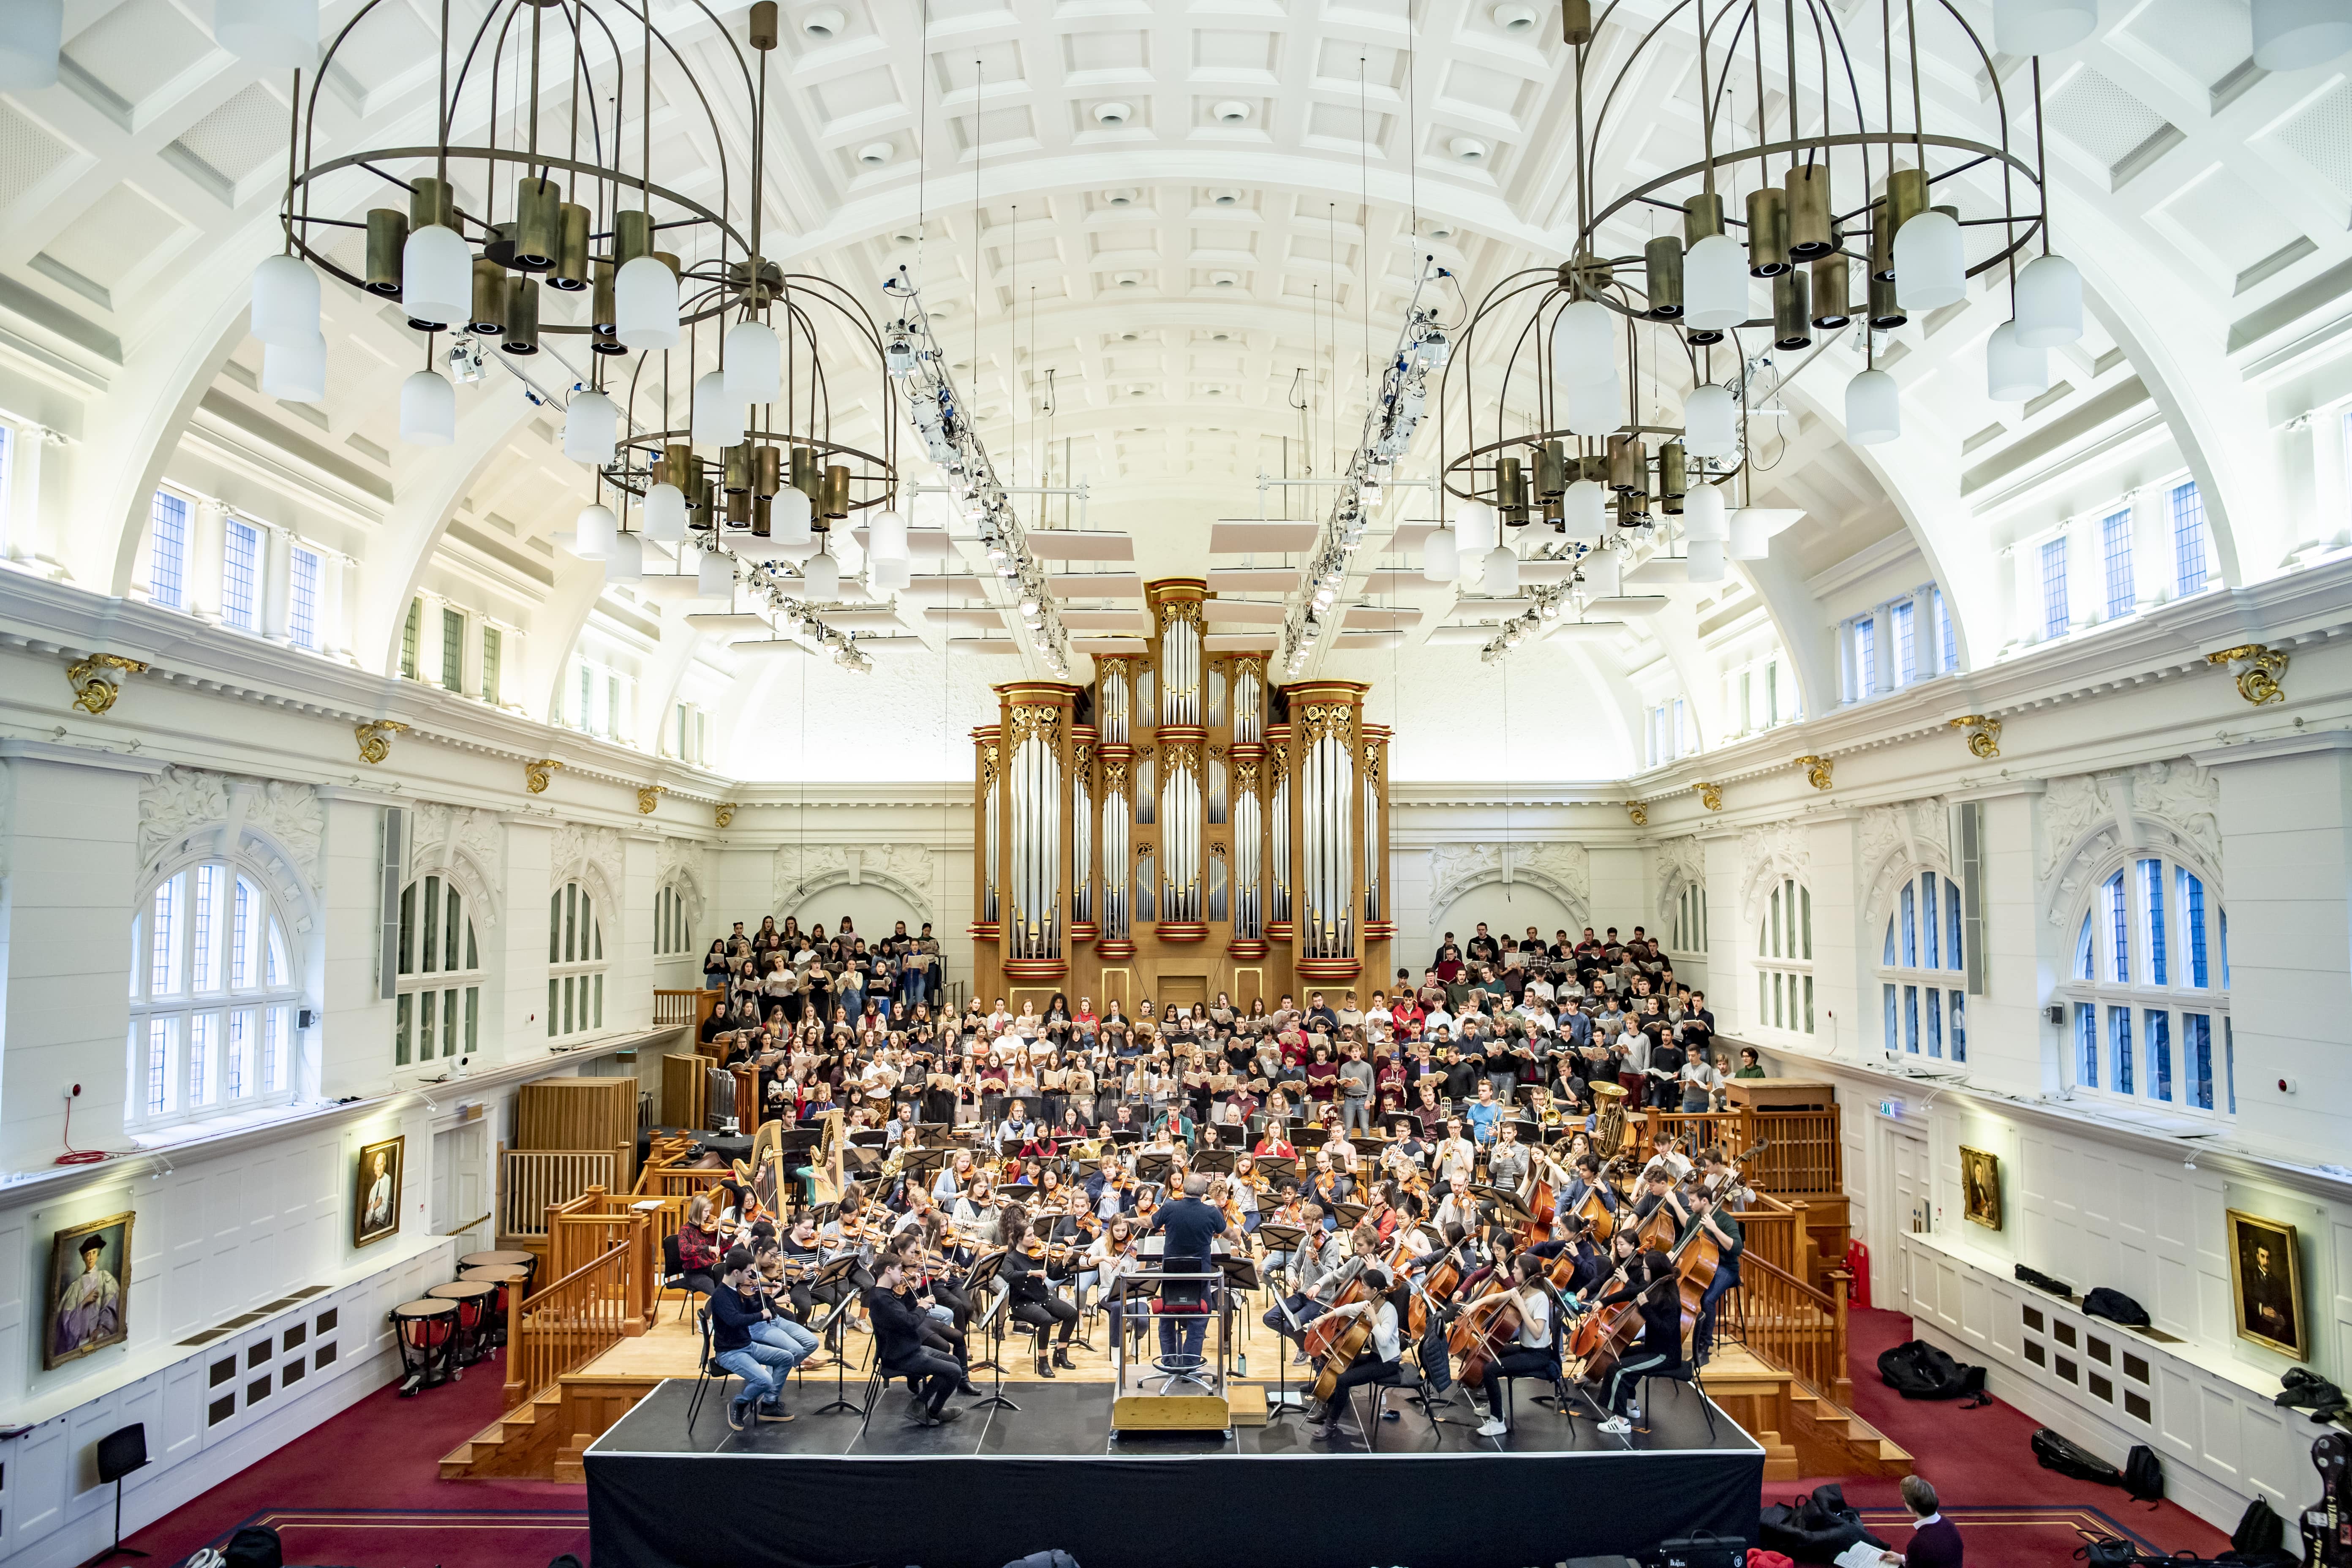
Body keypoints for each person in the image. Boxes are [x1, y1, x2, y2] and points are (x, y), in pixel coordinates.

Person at [1466, 1252, 1566, 1436]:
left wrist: (1521, 1306)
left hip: (1539, 1356)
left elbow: (1537, 1333)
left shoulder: (1541, 1298)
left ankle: (1498, 1422)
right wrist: (1476, 1304)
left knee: (1490, 1369)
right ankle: (1494, 1406)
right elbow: (1496, 1298)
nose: (1512, 1272)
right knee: (1490, 1351)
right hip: (1526, 1349)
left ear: (1527, 1272)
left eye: (1517, 1268)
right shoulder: (1521, 1290)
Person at [865, 1253, 964, 1427]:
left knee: (954, 1361)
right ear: (888, 1270)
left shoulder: (886, 1293)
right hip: (900, 1356)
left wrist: (915, 1290)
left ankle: (919, 1405)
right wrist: (923, 1307)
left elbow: (908, 1310)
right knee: (954, 1372)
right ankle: (933, 1411)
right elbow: (911, 1323)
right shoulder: (882, 1300)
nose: (903, 1274)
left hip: (910, 1349)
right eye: (900, 1270)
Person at [1307, 1263, 1403, 1441]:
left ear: (1375, 1290)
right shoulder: (1371, 1302)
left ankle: (1331, 1424)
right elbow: (1347, 1309)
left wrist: (1374, 1318)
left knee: (1344, 1380)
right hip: (1376, 1357)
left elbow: (1383, 1339)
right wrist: (1324, 1317)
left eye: (1365, 1288)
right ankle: (1327, 1409)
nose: (1363, 1291)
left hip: (1387, 1363)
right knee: (1340, 1366)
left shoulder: (1389, 1311)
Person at [1592, 1250, 1682, 1434]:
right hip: (1653, 1348)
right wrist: (1603, 1302)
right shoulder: (1655, 1287)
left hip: (1665, 1355)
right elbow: (1630, 1292)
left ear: (1655, 1271)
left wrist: (1646, 1308)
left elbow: (1666, 1331)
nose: (1643, 1271)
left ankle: (1621, 1421)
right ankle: (1631, 1407)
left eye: (1645, 1268)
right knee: (1618, 1355)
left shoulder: (1670, 1298)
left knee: (1618, 1369)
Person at [1149, 1172, 1229, 1372]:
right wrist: (1236, 1237)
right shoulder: (1212, 1213)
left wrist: (1133, 1221)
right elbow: (1227, 1233)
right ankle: (1190, 1365)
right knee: (1199, 1320)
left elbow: (1152, 1223)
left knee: (1167, 1321)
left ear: (1183, 1189)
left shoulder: (1169, 1207)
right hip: (1200, 1278)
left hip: (1171, 1278)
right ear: (1204, 1192)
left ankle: (1169, 1363)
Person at [708, 1247, 795, 1428]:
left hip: (747, 1346)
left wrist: (770, 1297)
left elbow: (752, 1309)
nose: (751, 1276)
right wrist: (762, 1316)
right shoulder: (720, 1296)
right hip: (729, 1353)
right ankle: (739, 1402)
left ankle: (769, 1404)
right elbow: (736, 1321)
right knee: (764, 1380)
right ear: (736, 1272)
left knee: (787, 1358)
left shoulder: (739, 1290)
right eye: (748, 1272)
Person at [999, 1204, 1080, 1375]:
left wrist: (1065, 1260)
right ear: (1020, 1238)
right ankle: (1042, 1361)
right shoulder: (1011, 1258)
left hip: (1042, 1297)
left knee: (1071, 1314)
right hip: (1023, 1303)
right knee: (1046, 1320)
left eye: (1034, 1234)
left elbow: (1055, 1275)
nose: (1034, 1238)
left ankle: (1060, 1352)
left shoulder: (1039, 1253)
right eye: (1030, 1236)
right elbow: (1009, 1276)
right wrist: (1031, 1273)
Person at [1883, 1475, 1963, 1568]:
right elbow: (1935, 1557)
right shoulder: (1949, 1524)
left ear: (1911, 1507)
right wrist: (1903, 1558)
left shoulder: (1918, 1543)